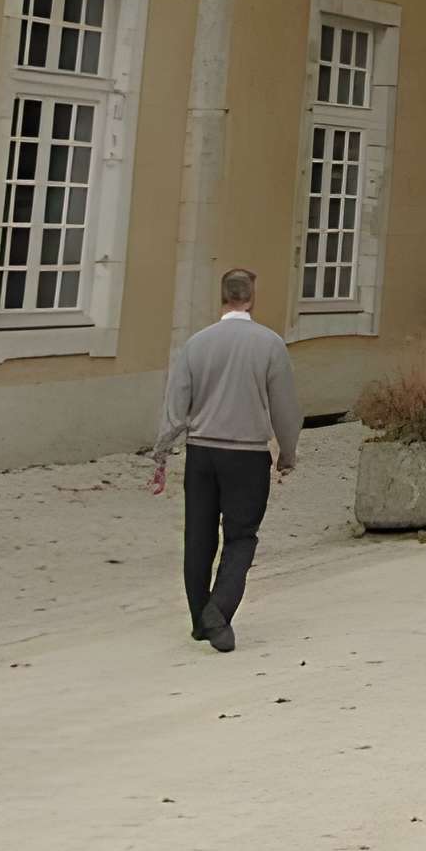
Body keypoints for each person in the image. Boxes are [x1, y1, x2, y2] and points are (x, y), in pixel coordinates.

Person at [148, 268, 301, 654]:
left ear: (222, 298)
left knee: (198, 535)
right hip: (247, 454)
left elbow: (175, 402)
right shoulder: (270, 344)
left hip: (202, 453)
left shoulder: (196, 345)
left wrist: (163, 452)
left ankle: (201, 617)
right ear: (252, 297)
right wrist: (287, 451)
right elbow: (285, 407)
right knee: (241, 536)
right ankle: (219, 611)